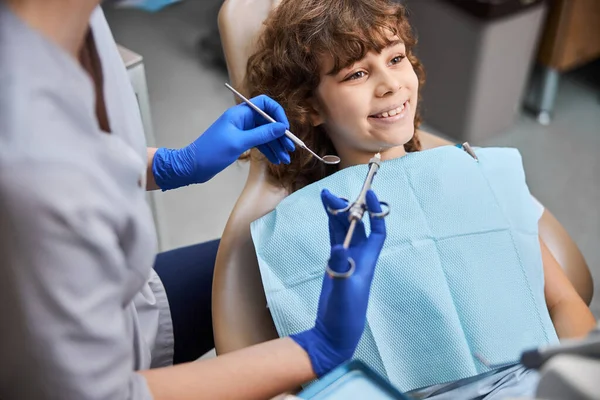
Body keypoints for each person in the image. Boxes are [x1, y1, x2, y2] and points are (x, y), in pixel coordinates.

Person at [0, 0, 388, 398]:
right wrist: (316, 350)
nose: (389, 85)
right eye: (357, 73)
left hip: (127, 305)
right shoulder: (25, 164)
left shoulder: (74, 23)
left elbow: (81, 153)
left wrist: (168, 164)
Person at [241, 0, 597, 397]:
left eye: (396, 58)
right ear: (309, 105)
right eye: (357, 73)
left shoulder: (474, 175)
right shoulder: (301, 233)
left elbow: (563, 301)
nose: (390, 84)